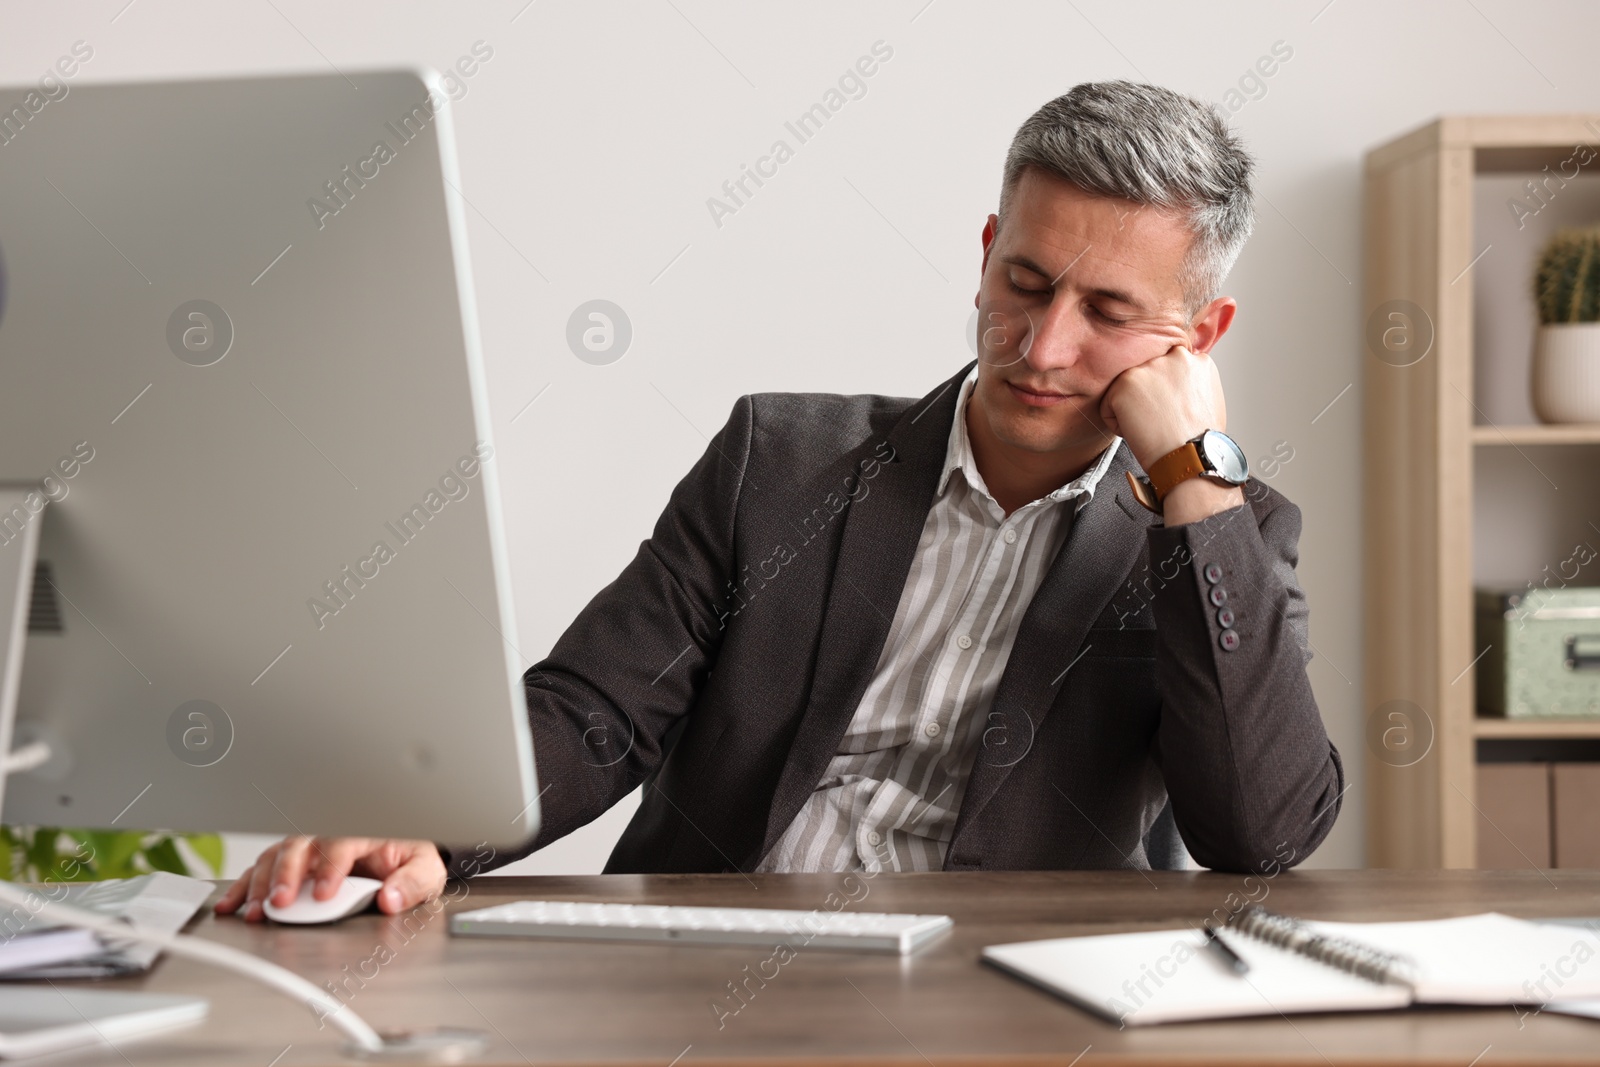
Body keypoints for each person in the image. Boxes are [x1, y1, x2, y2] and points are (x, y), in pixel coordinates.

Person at [218, 79, 1343, 922]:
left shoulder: (1229, 534)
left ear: (1197, 336)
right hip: (711, 958)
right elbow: (595, 706)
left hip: (1008, 994)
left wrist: (1197, 478)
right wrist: (430, 823)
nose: (1043, 346)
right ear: (987, 251)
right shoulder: (781, 455)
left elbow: (1258, 831)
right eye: (1026, 284)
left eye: (1108, 311)